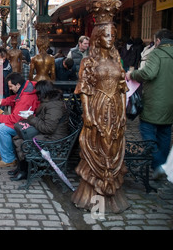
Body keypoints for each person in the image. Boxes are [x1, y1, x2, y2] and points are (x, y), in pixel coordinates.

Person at [71, 24, 128, 212]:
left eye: (113, 35)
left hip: (115, 107)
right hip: (97, 105)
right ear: (98, 38)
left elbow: (122, 89)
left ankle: (111, 186)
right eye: (106, 35)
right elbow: (84, 89)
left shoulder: (116, 59)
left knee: (114, 142)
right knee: (97, 141)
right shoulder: (88, 61)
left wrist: (123, 112)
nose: (110, 38)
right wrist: (86, 112)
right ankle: (95, 189)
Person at [126, 29, 173, 179]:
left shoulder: (157, 53)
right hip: (170, 102)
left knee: (147, 130)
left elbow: (149, 73)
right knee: (165, 133)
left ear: (158, 41)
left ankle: (158, 164)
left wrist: (132, 74)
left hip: (154, 101)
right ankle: (163, 165)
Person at [11, 80, 70, 181]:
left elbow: (48, 128)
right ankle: (21, 169)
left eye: (37, 92)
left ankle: (24, 172)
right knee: (18, 137)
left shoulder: (54, 106)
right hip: (49, 134)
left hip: (54, 139)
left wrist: (31, 118)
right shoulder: (50, 102)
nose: (36, 95)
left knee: (23, 142)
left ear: (43, 92)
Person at [0, 72, 39, 168]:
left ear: (18, 85)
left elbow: (14, 119)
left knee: (3, 128)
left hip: (28, 125)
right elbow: (16, 98)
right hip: (28, 121)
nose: (10, 89)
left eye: (11, 86)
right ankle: (6, 151)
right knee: (4, 127)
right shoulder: (26, 89)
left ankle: (9, 159)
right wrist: (2, 101)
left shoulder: (26, 97)